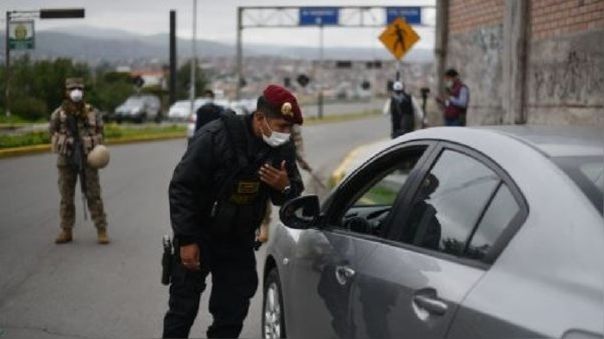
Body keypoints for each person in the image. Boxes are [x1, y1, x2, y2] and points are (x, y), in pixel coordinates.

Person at [163, 84, 304, 338]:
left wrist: (283, 187)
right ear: (260, 118)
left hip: (238, 239)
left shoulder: (282, 149)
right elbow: (182, 187)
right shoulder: (215, 137)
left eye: (289, 128)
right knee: (182, 310)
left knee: (232, 312)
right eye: (281, 126)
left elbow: (293, 196)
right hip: (200, 233)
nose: (285, 133)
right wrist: (186, 239)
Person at [49, 78, 109, 244]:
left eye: (79, 89)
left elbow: (101, 132)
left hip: (88, 159)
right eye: (72, 89)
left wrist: (91, 144)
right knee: (66, 196)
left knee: (93, 194)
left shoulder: (93, 113)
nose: (76, 92)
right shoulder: (59, 114)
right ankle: (66, 230)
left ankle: (101, 229)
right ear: (66, 92)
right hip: (66, 159)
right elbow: (51, 132)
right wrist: (64, 141)